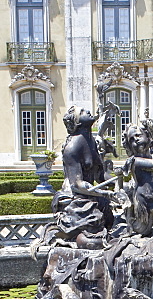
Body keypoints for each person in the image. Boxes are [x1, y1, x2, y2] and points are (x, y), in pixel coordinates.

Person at [47, 106, 115, 250]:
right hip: (75, 197)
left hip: (91, 194)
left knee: (110, 219)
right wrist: (102, 192)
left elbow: (100, 175)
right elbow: (76, 184)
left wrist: (118, 180)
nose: (88, 112)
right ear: (77, 122)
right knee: (96, 220)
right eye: (82, 112)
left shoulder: (90, 141)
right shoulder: (73, 146)